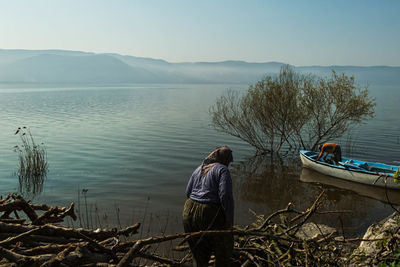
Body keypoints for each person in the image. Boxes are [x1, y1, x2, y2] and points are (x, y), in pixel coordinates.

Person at [183, 146, 234, 267]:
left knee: (198, 253)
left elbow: (188, 192)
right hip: (208, 210)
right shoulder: (223, 170)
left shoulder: (198, 169)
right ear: (226, 160)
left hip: (188, 209)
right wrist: (229, 220)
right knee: (224, 251)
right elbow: (225, 196)